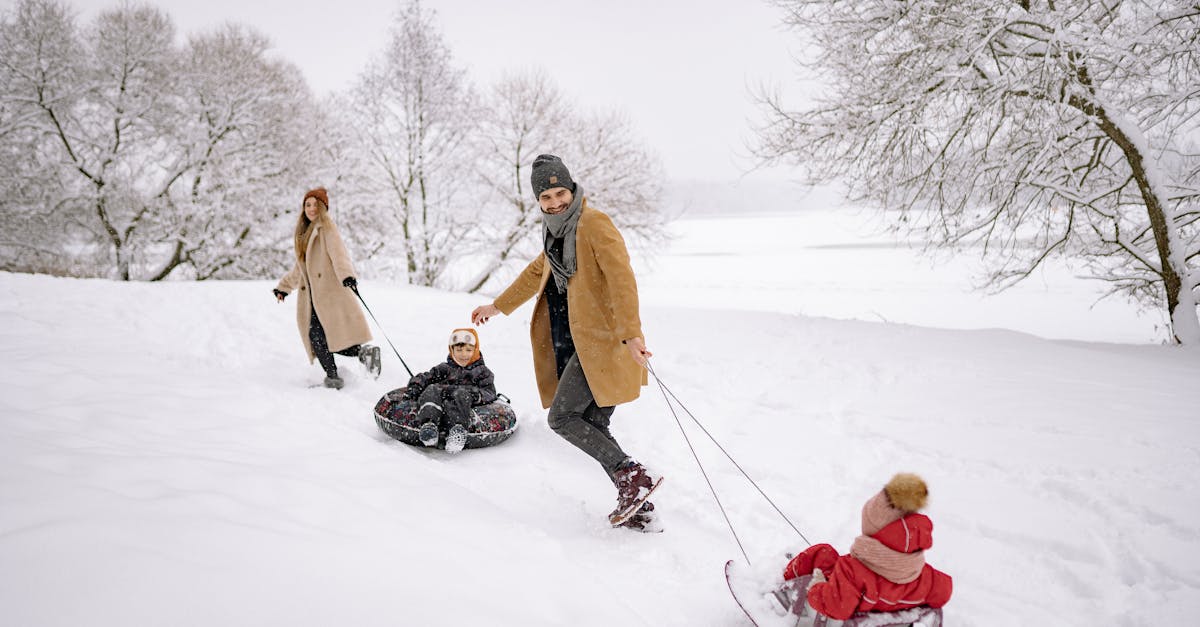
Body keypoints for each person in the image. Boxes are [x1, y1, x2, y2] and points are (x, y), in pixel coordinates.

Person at [471, 154, 663, 531]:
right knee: (592, 422)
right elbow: (535, 273)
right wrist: (497, 306)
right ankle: (638, 507)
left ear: (572, 190)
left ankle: (632, 475)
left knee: (562, 418)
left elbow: (622, 279)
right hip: (574, 343)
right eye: (546, 197)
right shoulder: (556, 233)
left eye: (560, 192)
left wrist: (631, 334)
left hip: (603, 342)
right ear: (538, 201)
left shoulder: (592, 223)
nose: (555, 201)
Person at [780, 473, 953, 621]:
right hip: (862, 599)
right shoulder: (924, 578)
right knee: (827, 556)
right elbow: (944, 590)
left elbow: (836, 606)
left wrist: (817, 587)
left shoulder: (852, 571)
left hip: (837, 597)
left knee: (822, 552)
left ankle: (783, 587)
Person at [274, 187, 380, 389]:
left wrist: (347, 276)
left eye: (316, 205)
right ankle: (357, 358)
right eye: (308, 204)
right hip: (312, 299)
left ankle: (335, 376)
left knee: (323, 338)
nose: (311, 208)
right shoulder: (303, 234)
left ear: (323, 208)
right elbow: (300, 269)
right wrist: (284, 288)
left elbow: (339, 254)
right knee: (321, 339)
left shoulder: (327, 228)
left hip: (329, 295)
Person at [403, 328, 498, 454]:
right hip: (440, 399)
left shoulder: (482, 372)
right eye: (459, 350)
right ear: (451, 350)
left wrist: (476, 394)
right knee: (431, 389)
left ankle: (457, 432)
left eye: (468, 350)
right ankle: (429, 426)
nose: (464, 354)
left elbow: (489, 392)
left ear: (475, 350)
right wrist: (415, 386)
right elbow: (425, 377)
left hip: (462, 402)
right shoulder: (445, 368)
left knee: (461, 393)